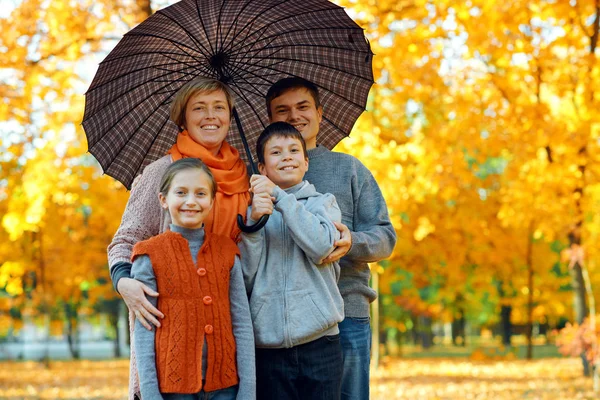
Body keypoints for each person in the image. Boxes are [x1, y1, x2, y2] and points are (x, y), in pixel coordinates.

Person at [107, 78, 251, 400]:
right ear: (183, 118)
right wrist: (122, 280)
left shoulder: (249, 174)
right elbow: (126, 238)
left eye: (219, 107)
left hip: (234, 320)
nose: (210, 115)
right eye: (198, 108)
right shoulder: (163, 172)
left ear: (231, 116)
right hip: (173, 329)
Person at [266, 77, 397, 400]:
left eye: (303, 107)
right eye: (282, 110)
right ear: (270, 119)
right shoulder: (260, 179)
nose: (294, 116)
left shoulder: (349, 170)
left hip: (345, 310)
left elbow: (385, 237)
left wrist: (352, 241)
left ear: (320, 113)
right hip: (280, 325)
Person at [131, 158, 255, 400]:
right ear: (163, 200)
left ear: (211, 201)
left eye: (200, 193)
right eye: (181, 192)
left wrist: (248, 390)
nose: (191, 201)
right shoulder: (148, 254)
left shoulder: (227, 251)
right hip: (173, 389)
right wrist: (150, 394)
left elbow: (241, 323)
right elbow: (144, 331)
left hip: (225, 386)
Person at [239, 122, 344, 400]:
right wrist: (253, 225)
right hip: (269, 349)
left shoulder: (324, 203)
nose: (286, 157)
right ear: (261, 169)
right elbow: (246, 276)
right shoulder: (254, 211)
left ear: (306, 162)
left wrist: (281, 198)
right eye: (276, 152)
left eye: (294, 150)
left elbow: (321, 247)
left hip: (321, 342)